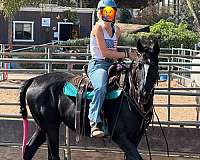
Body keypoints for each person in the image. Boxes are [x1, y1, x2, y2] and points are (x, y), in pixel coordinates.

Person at [88, 0, 138, 137]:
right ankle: (94, 121)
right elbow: (105, 53)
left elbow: (114, 51)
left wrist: (126, 58)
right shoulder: (97, 28)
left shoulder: (117, 30)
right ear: (99, 13)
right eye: (105, 11)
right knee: (100, 88)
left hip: (112, 64)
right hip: (98, 64)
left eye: (111, 11)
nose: (108, 14)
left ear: (114, 13)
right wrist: (127, 54)